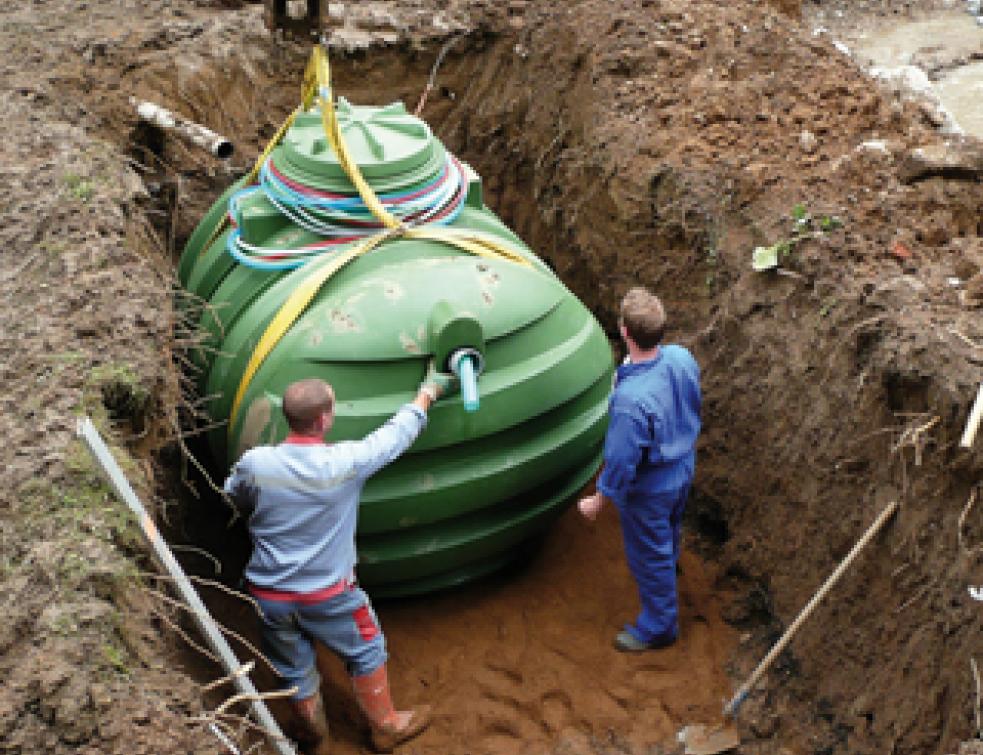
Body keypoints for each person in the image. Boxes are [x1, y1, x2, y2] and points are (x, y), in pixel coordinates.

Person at [224, 362, 457, 753]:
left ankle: (315, 736)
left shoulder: (257, 464)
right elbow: (396, 435)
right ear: (324, 419)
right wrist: (429, 391)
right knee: (366, 649)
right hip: (328, 595)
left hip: (269, 595)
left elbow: (235, 494)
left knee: (293, 665)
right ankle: (385, 726)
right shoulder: (344, 463)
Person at [578, 287, 701, 652]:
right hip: (682, 465)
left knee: (649, 554)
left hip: (650, 486)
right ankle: (671, 562)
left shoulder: (631, 402)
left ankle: (659, 627)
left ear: (624, 332)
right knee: (670, 527)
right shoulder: (681, 358)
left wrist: (598, 500)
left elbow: (620, 460)